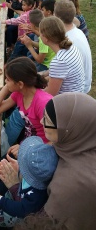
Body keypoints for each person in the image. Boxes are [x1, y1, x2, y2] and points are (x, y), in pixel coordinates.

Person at [42, 92, 96, 230]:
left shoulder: (72, 184)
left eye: (47, 121)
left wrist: (16, 186)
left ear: (67, 130)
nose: (42, 122)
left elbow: (46, 223)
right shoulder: (83, 139)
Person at [0, 57, 53, 157]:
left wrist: (27, 148)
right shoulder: (19, 94)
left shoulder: (43, 103)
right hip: (26, 145)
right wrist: (7, 87)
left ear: (20, 84)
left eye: (8, 79)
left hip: (39, 152)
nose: (5, 81)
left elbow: (55, 141)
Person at [0, 136, 58, 228]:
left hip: (17, 216)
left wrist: (0, 200)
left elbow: (22, 209)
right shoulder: (41, 176)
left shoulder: (36, 197)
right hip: (18, 197)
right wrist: (20, 170)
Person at [39, 16, 85, 95]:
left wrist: (32, 93)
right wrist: (42, 74)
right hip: (77, 95)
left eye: (40, 33)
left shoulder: (59, 61)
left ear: (46, 38)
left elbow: (49, 94)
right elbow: (60, 72)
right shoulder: (71, 47)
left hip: (66, 103)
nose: (39, 36)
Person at [54, 0, 92, 93]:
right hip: (85, 82)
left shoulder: (68, 41)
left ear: (57, 17)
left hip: (79, 90)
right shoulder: (78, 31)